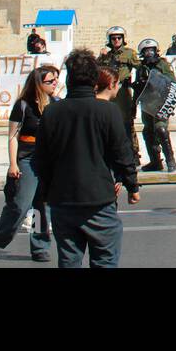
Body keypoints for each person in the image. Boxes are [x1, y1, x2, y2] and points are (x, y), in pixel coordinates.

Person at [33, 49, 140, 268]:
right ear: (94, 79)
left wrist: (46, 191)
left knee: (69, 260)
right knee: (105, 260)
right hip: (99, 200)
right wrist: (132, 185)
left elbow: (40, 160)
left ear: (68, 78)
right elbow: (123, 154)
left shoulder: (52, 112)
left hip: (63, 200)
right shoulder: (108, 112)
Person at [0, 63, 60, 263]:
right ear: (38, 84)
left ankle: (40, 246)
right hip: (27, 159)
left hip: (48, 161)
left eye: (56, 79)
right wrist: (13, 164)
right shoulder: (23, 105)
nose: (55, 83)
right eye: (50, 80)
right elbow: (13, 136)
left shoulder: (56, 103)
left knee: (42, 207)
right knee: (20, 206)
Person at [134, 38, 176, 172]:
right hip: (147, 104)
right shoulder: (141, 68)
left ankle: (171, 161)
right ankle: (155, 161)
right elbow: (138, 88)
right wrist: (134, 103)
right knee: (148, 132)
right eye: (146, 51)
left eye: (151, 50)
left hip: (160, 103)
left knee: (161, 129)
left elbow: (172, 83)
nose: (149, 53)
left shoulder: (163, 65)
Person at [98, 25, 141, 158]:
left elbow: (140, 67)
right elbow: (97, 69)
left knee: (127, 122)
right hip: (109, 90)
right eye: (113, 38)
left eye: (119, 38)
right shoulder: (107, 55)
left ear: (123, 39)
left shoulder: (129, 53)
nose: (116, 40)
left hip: (123, 90)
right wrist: (100, 57)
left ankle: (133, 153)